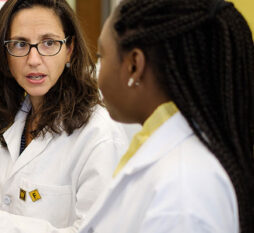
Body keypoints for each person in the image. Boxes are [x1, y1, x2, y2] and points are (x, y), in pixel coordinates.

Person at [0, 0, 128, 232]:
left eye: (49, 43)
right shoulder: (6, 119)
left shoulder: (99, 133)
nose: (33, 59)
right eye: (21, 44)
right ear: (5, 53)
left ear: (69, 49)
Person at [79, 0, 254, 232]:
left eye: (101, 56)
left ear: (134, 65)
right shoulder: (165, 154)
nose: (96, 71)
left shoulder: (184, 188)